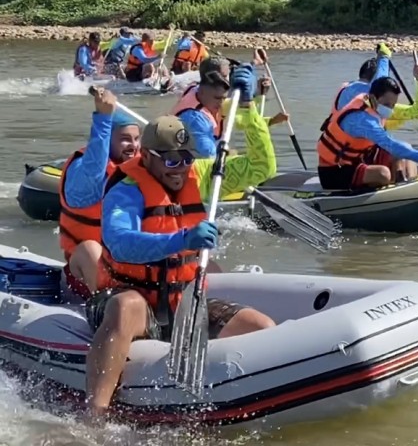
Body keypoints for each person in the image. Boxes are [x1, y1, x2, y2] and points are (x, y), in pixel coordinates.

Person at [84, 66, 278, 417]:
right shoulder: (127, 189)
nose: (179, 168)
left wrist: (248, 107)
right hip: (132, 297)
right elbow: (120, 243)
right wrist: (182, 239)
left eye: (186, 159)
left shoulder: (198, 173)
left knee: (261, 327)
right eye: (171, 160)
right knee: (125, 307)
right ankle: (95, 414)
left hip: (183, 300)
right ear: (148, 157)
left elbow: (262, 167)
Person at [58, 88, 140, 298]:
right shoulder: (83, 176)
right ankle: (105, 310)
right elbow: (94, 168)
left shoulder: (140, 171)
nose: (133, 146)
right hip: (83, 275)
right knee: (91, 249)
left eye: (136, 139)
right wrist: (103, 117)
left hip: (129, 273)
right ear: (107, 140)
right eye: (124, 139)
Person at [317, 76, 418, 190]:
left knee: (406, 151)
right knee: (383, 174)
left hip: (358, 160)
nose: (390, 109)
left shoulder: (374, 102)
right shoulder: (362, 120)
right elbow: (389, 143)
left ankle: (407, 188)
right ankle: (387, 195)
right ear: (373, 97)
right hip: (334, 171)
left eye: (393, 105)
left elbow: (382, 73)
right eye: (386, 104)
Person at [173, 56, 286, 157]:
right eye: (226, 76)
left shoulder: (199, 91)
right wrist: (230, 155)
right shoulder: (196, 119)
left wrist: (259, 93)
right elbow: (209, 159)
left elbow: (238, 118)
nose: (229, 80)